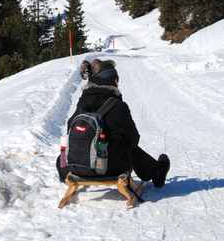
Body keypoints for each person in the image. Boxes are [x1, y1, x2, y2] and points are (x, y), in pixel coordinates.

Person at [57, 59, 170, 187]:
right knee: (129, 147)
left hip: (76, 166)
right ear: (112, 80)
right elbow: (133, 139)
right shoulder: (118, 106)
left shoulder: (83, 101)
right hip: (108, 169)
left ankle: (64, 172)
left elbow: (69, 129)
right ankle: (157, 171)